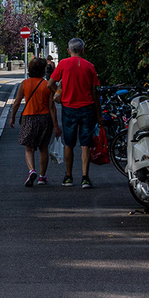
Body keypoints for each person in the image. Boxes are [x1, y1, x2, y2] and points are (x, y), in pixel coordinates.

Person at [50, 37, 101, 188]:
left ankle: (68, 176)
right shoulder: (90, 66)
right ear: (83, 50)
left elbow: (50, 84)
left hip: (69, 107)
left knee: (69, 143)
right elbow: (95, 92)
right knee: (85, 144)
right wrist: (99, 115)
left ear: (68, 50)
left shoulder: (63, 64)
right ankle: (85, 177)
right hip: (87, 108)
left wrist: (58, 96)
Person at [9, 56, 60, 186]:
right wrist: (56, 126)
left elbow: (16, 103)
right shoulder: (46, 85)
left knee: (29, 148)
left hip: (29, 118)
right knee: (43, 148)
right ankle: (42, 177)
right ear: (44, 70)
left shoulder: (24, 84)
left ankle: (32, 170)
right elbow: (52, 107)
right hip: (44, 118)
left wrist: (13, 117)